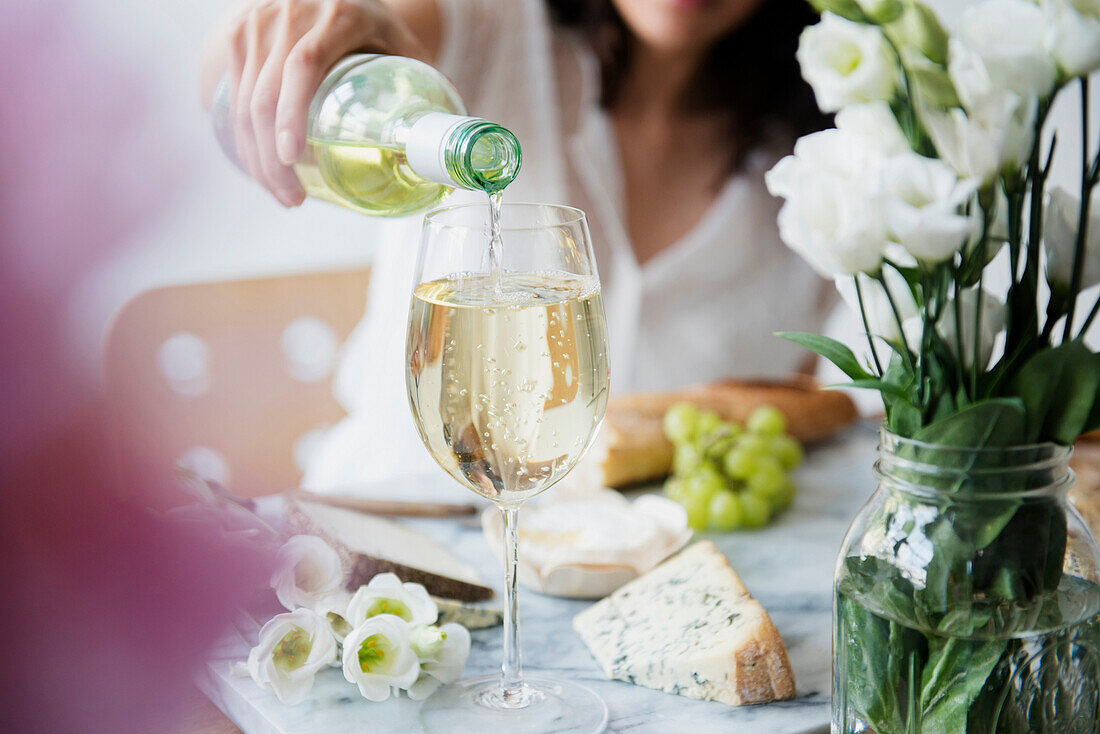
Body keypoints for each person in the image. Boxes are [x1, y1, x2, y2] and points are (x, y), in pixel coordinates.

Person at [200, 0, 834, 489]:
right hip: (393, 558)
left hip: (622, 599)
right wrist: (306, 38)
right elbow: (373, 32)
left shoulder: (828, 166)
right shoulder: (493, 29)